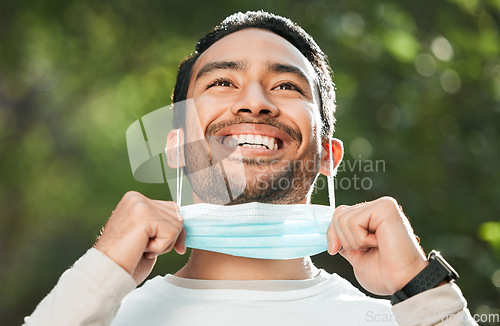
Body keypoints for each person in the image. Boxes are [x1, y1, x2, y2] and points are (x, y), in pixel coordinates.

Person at [24, 11, 477, 326]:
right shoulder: (93, 314)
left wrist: (421, 288)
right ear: (176, 146)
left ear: (327, 155)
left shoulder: (408, 317)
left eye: (285, 85)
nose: (255, 102)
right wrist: (101, 269)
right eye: (222, 82)